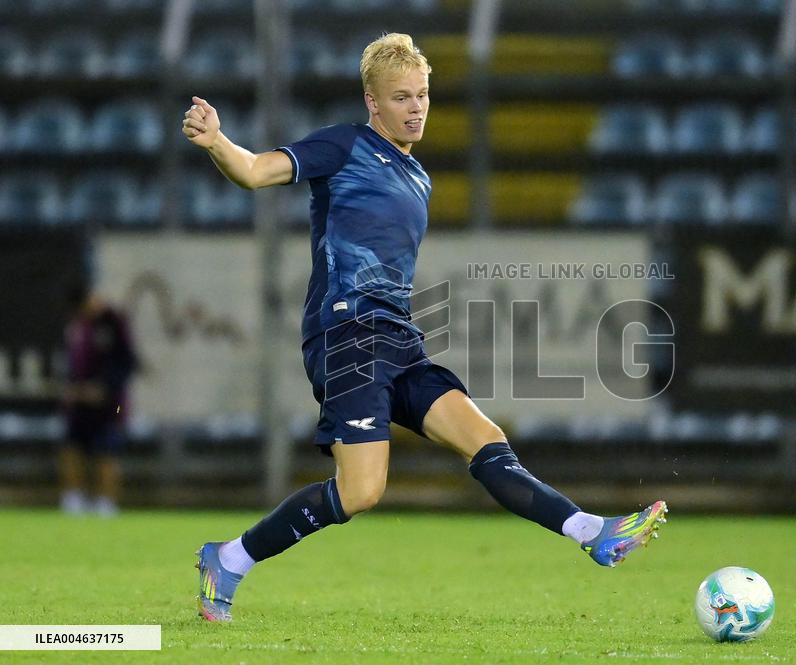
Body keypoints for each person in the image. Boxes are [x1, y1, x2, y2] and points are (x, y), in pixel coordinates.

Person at [182, 33, 667, 623]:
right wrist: (216, 142)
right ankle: (229, 558)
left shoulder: (419, 177)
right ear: (372, 102)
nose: (416, 108)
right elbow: (257, 171)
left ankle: (593, 532)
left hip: (398, 339)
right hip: (347, 336)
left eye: (423, 96)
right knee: (360, 492)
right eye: (402, 97)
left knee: (487, 442)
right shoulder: (344, 146)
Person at [59, 286, 138, 517]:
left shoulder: (114, 322)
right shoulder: (78, 325)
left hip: (111, 403)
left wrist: (104, 387)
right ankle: (73, 499)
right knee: (72, 448)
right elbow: (72, 362)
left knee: (107, 451)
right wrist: (73, 389)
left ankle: (106, 503)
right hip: (79, 401)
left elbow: (127, 362)